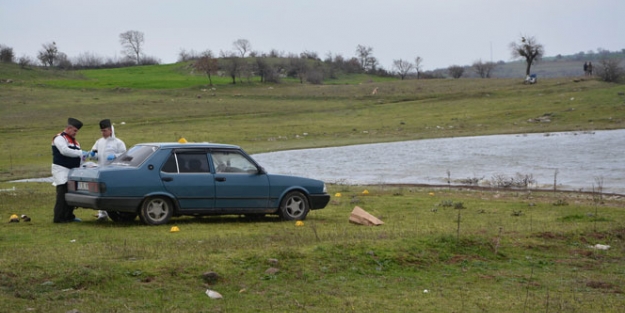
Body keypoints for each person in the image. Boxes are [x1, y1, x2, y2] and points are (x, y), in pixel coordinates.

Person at [52, 117, 88, 223]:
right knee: (62, 194)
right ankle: (59, 218)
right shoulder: (59, 138)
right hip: (61, 169)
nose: (76, 133)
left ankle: (69, 215)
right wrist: (80, 153)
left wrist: (84, 158)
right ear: (68, 128)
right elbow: (64, 151)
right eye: (75, 131)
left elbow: (79, 156)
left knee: (71, 194)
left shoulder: (75, 142)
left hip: (73, 170)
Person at [91, 119, 126, 221]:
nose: (103, 133)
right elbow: (95, 154)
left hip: (113, 171)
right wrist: (93, 155)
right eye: (101, 131)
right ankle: (102, 213)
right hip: (101, 170)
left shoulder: (118, 143)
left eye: (105, 131)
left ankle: (115, 212)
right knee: (100, 191)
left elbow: (124, 155)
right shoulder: (99, 142)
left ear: (110, 130)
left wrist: (115, 156)